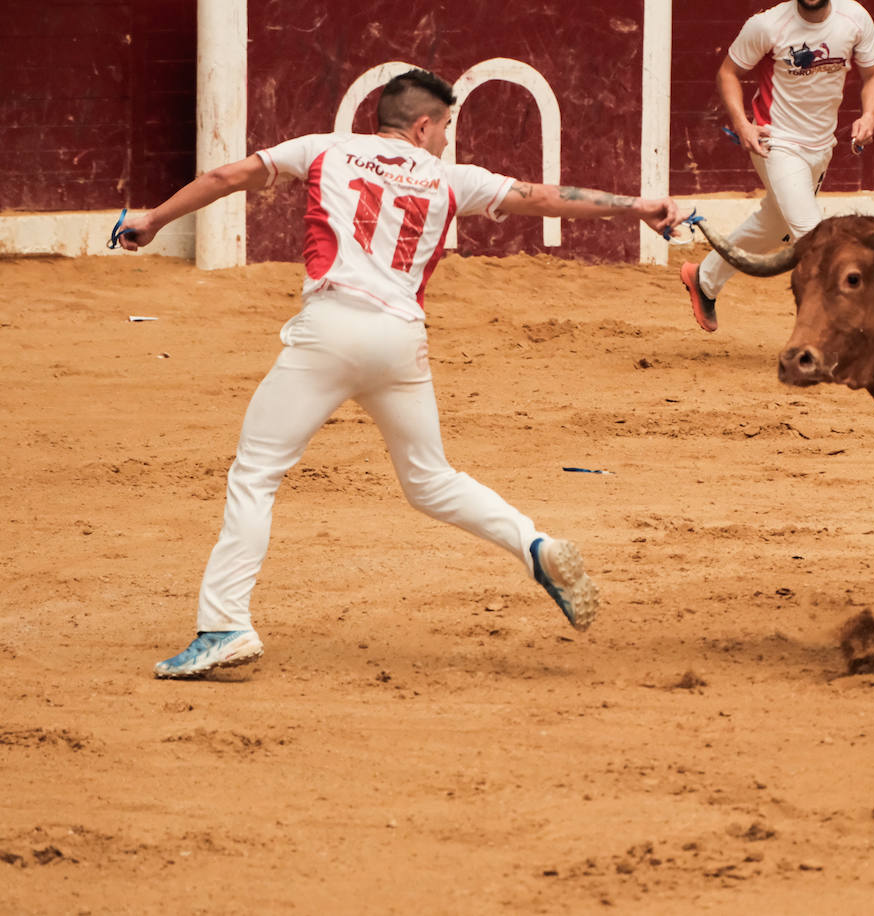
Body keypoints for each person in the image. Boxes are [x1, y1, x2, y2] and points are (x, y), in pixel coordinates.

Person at [117, 68, 683, 679]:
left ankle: (225, 623)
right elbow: (544, 197)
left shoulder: (324, 149)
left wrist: (155, 219)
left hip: (329, 329)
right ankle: (533, 545)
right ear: (422, 126)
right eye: (446, 128)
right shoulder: (451, 177)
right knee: (431, 480)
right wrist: (638, 207)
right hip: (400, 340)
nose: (446, 139)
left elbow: (226, 178)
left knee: (255, 474)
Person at [680, 0, 874, 332]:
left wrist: (870, 115)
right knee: (816, 239)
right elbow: (728, 73)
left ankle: (703, 279)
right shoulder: (768, 25)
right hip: (776, 142)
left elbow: (873, 76)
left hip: (821, 147)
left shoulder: (855, 18)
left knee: (774, 224)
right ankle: (846, 331)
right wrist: (742, 124)